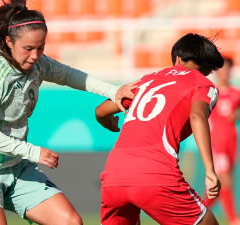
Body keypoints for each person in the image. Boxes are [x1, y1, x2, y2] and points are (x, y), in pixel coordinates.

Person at [0, 1, 137, 225]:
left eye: (41, 48)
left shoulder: (38, 64)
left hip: (16, 166)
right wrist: (31, 151)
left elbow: (70, 75)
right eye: (28, 48)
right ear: (9, 42)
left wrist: (113, 91)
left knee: (70, 222)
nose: (35, 55)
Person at [95, 33, 224, 225]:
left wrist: (111, 125)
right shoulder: (203, 83)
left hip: (113, 175)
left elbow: (100, 111)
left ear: (177, 58)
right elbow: (197, 116)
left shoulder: (147, 80)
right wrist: (210, 170)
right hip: (155, 173)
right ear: (207, 67)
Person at [203, 57, 240, 225]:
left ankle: (197, 213)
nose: (224, 72)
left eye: (227, 69)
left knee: (220, 184)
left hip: (232, 141)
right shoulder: (209, 91)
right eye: (221, 69)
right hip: (216, 141)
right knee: (224, 180)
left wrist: (238, 115)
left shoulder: (237, 92)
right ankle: (233, 220)